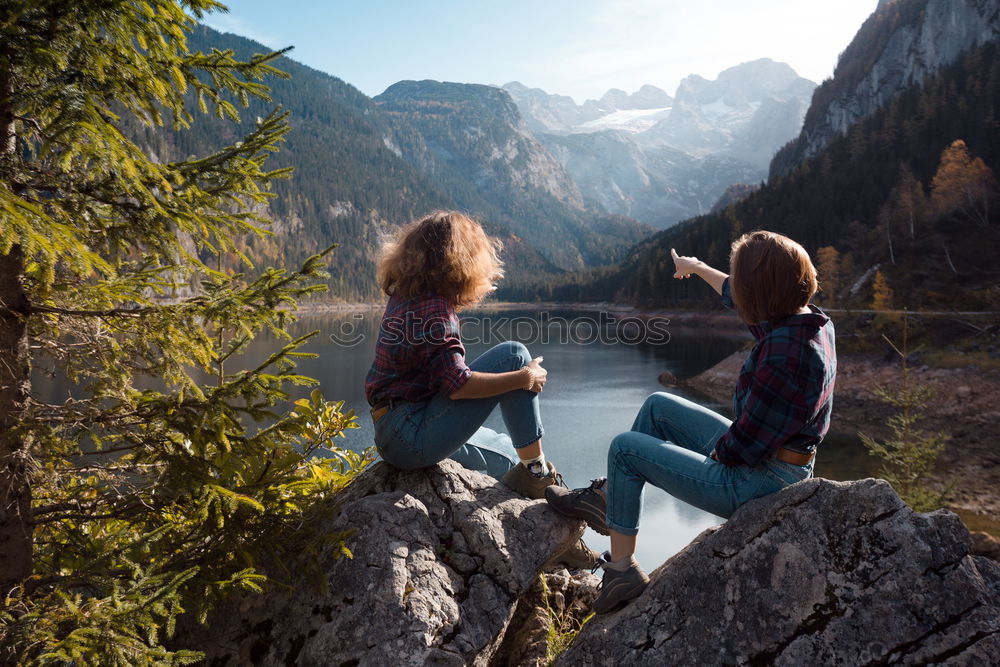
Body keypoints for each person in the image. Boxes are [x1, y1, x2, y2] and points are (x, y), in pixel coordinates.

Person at [546, 230, 837, 614]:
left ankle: (621, 570)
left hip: (761, 480)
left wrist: (713, 454)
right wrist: (696, 268)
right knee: (658, 406)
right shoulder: (805, 321)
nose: (738, 297)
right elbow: (736, 290)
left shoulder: (788, 354)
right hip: (772, 457)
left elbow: (745, 446)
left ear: (762, 295)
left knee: (624, 450)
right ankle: (608, 499)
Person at [365, 210, 563, 498]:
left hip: (396, 427)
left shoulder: (409, 294)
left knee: (508, 454)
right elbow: (458, 386)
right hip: (410, 435)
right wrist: (525, 378)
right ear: (461, 261)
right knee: (515, 356)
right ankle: (539, 479)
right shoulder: (434, 309)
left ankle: (537, 473)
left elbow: (442, 378)